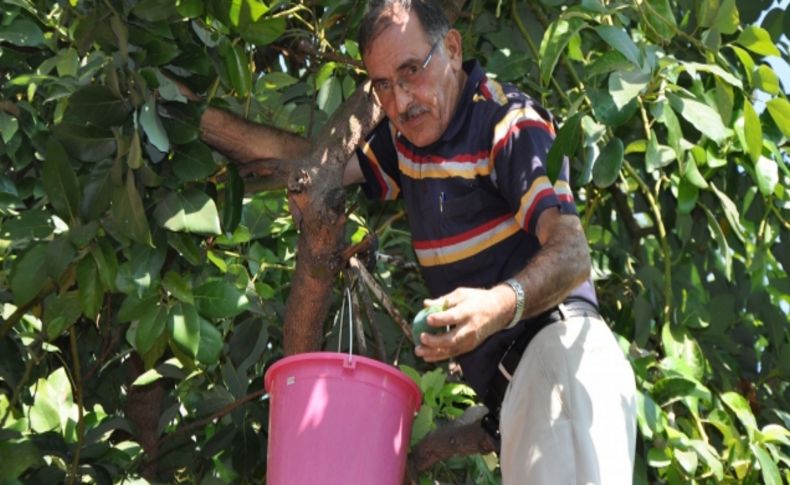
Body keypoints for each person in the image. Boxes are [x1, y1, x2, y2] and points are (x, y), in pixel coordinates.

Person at [195, 1, 636, 482]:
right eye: (383, 85)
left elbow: (573, 254)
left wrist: (497, 305)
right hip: (521, 393)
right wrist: (193, 117)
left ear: (451, 48)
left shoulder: (507, 123)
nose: (401, 101)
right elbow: (312, 166)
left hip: (561, 363)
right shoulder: (407, 145)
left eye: (411, 70)